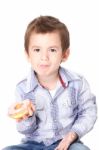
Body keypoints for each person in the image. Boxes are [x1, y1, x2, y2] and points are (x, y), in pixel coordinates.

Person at [2, 15, 97, 150]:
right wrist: (27, 116)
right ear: (27, 54)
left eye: (52, 50)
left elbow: (89, 112)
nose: (44, 57)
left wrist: (71, 136)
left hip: (66, 143)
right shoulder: (23, 88)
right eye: (37, 50)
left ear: (65, 54)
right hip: (32, 145)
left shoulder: (77, 83)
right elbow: (25, 130)